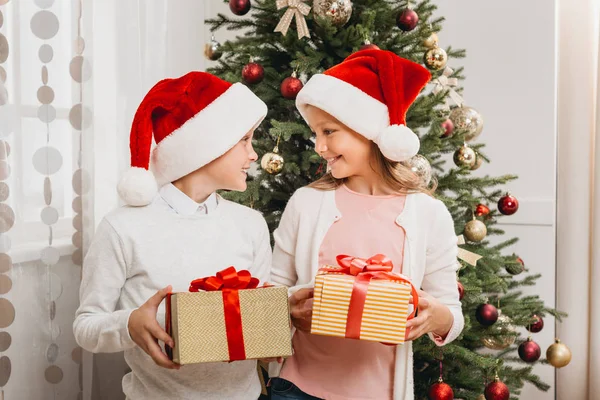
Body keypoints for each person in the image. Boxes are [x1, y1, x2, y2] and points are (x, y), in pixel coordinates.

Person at [269, 49, 464, 400]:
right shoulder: (307, 203)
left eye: (329, 131)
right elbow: (272, 290)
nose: (319, 146)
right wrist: (289, 305)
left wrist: (435, 318)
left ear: (368, 131)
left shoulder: (427, 215)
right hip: (296, 388)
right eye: (315, 133)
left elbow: (450, 313)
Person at [73, 71, 272, 400]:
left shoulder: (250, 224)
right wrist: (129, 325)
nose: (253, 155)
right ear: (207, 146)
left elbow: (258, 320)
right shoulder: (123, 227)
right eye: (245, 140)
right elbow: (86, 326)